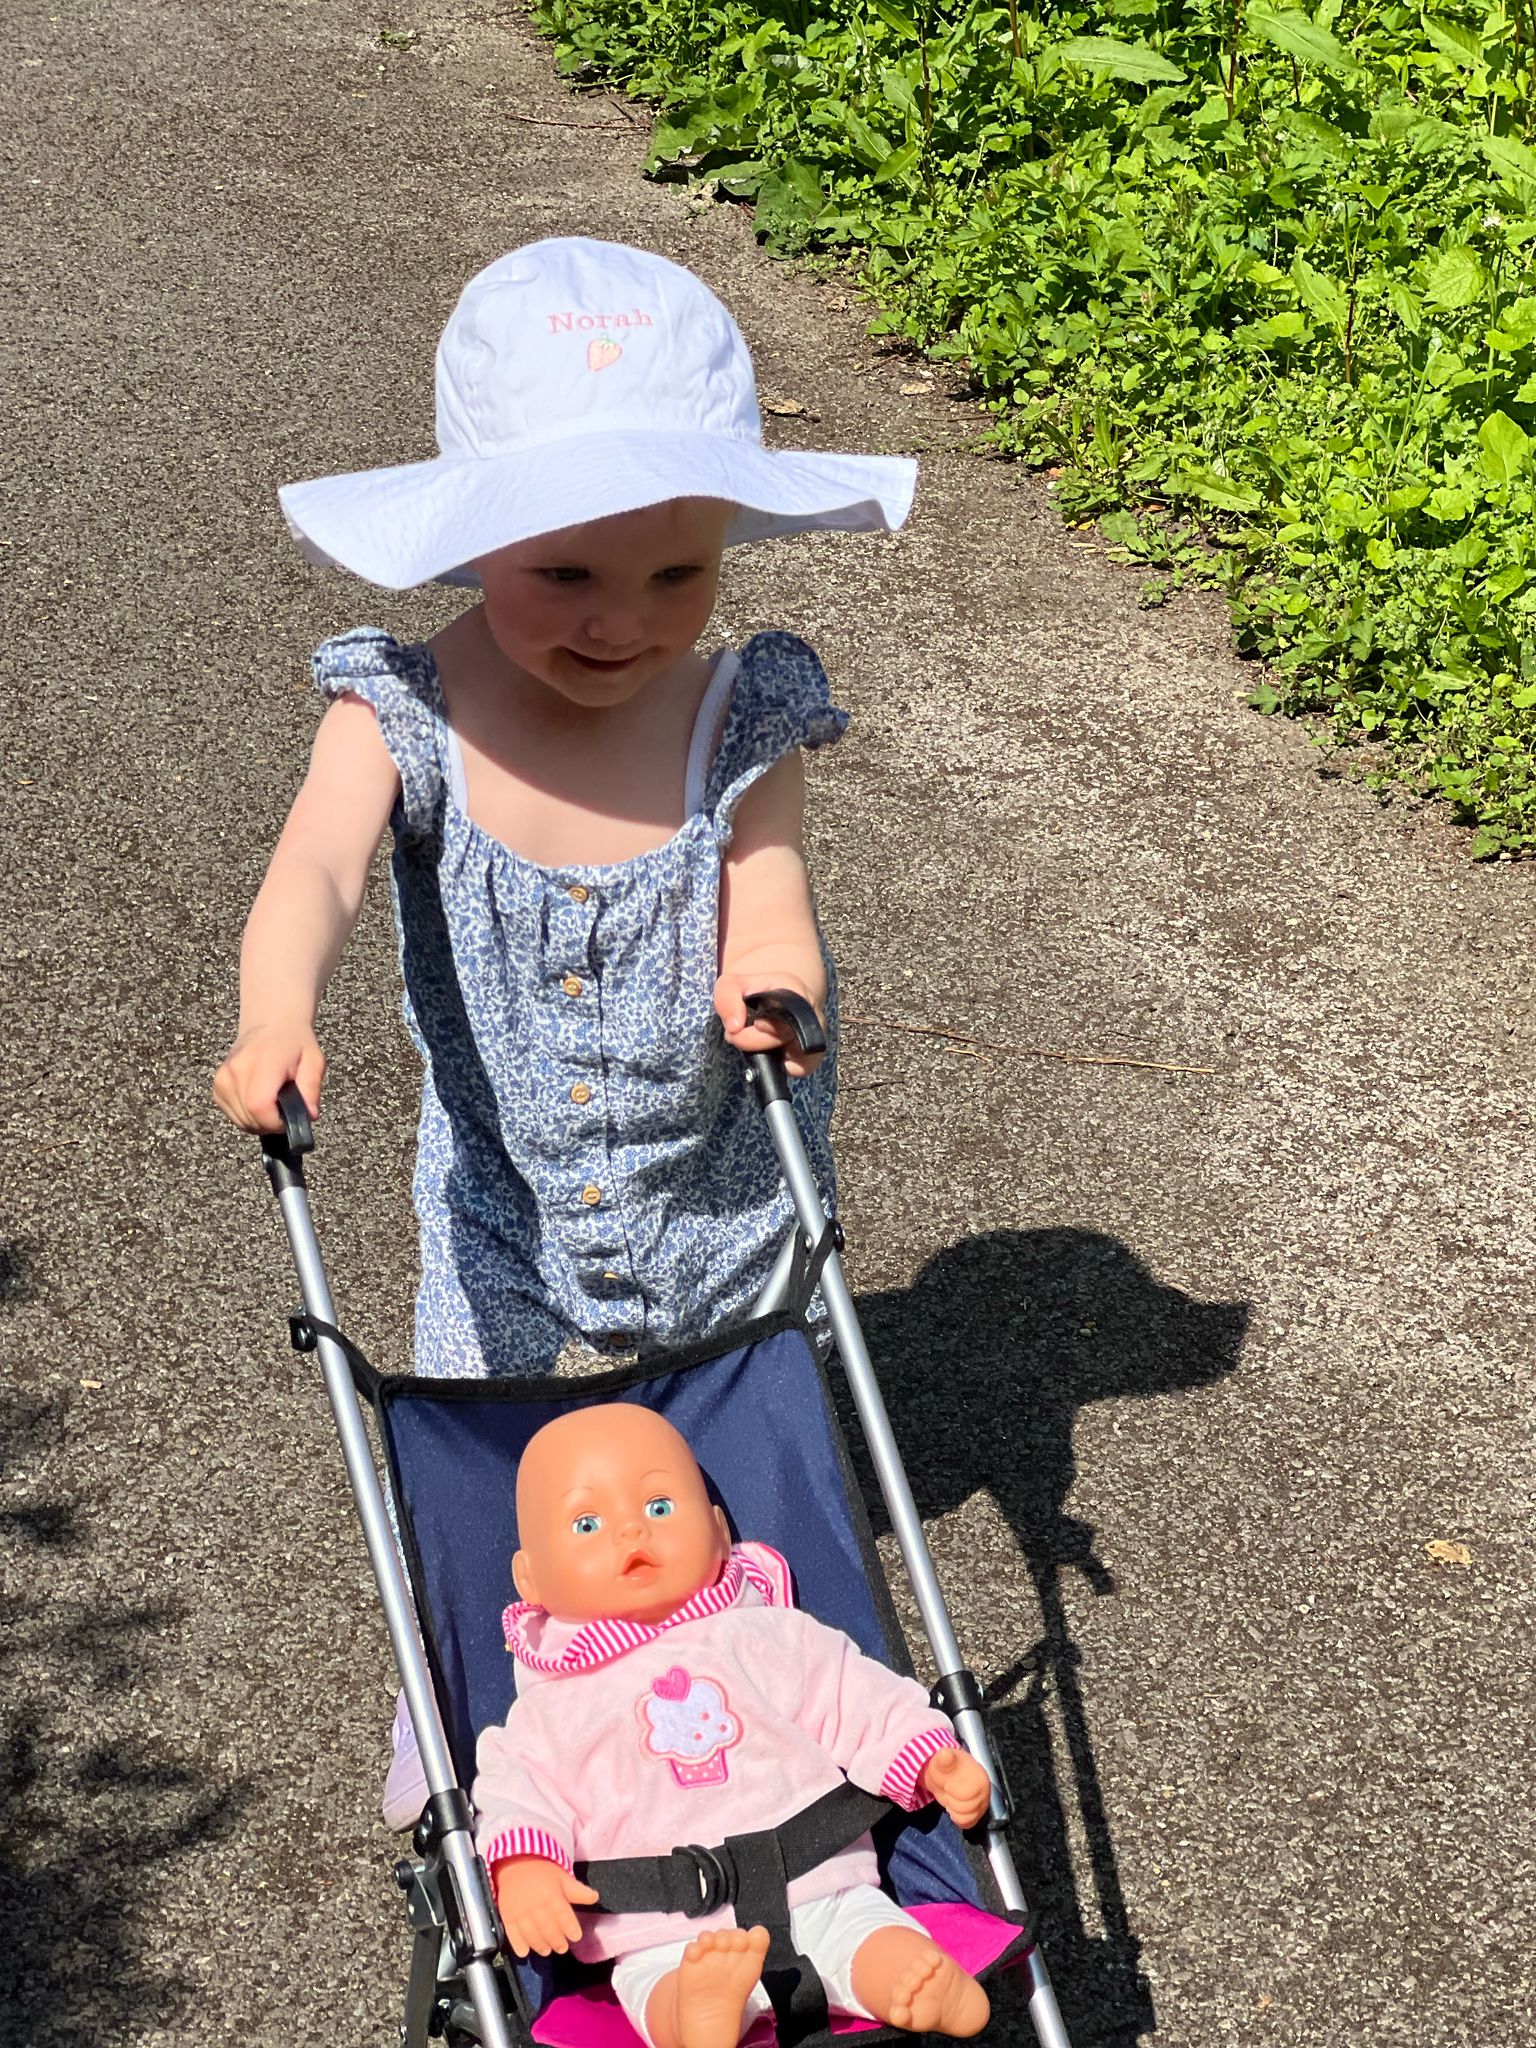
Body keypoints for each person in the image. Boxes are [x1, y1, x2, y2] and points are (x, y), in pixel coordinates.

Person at [212, 237, 915, 1822]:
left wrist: (777, 975)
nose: (627, 622)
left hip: (724, 1176)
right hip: (503, 1207)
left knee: (734, 1442)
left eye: (681, 575)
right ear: (473, 542)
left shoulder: (743, 707)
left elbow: (776, 887)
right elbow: (315, 866)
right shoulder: (397, 710)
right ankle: (466, 1688)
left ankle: (778, 1687)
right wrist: (277, 1013)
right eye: (568, 576)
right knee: (491, 1471)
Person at [475, 1403, 993, 2048]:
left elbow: (851, 1694)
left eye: (659, 1509)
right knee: (654, 1984)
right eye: (587, 1523)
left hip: (821, 1880)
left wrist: (925, 1755)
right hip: (658, 1927)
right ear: (530, 1578)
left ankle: (907, 1978)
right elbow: (514, 1788)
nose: (631, 1535)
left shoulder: (765, 1633)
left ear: (719, 1533)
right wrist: (524, 1865)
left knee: (870, 1932)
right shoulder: (551, 1706)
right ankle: (696, 2015)